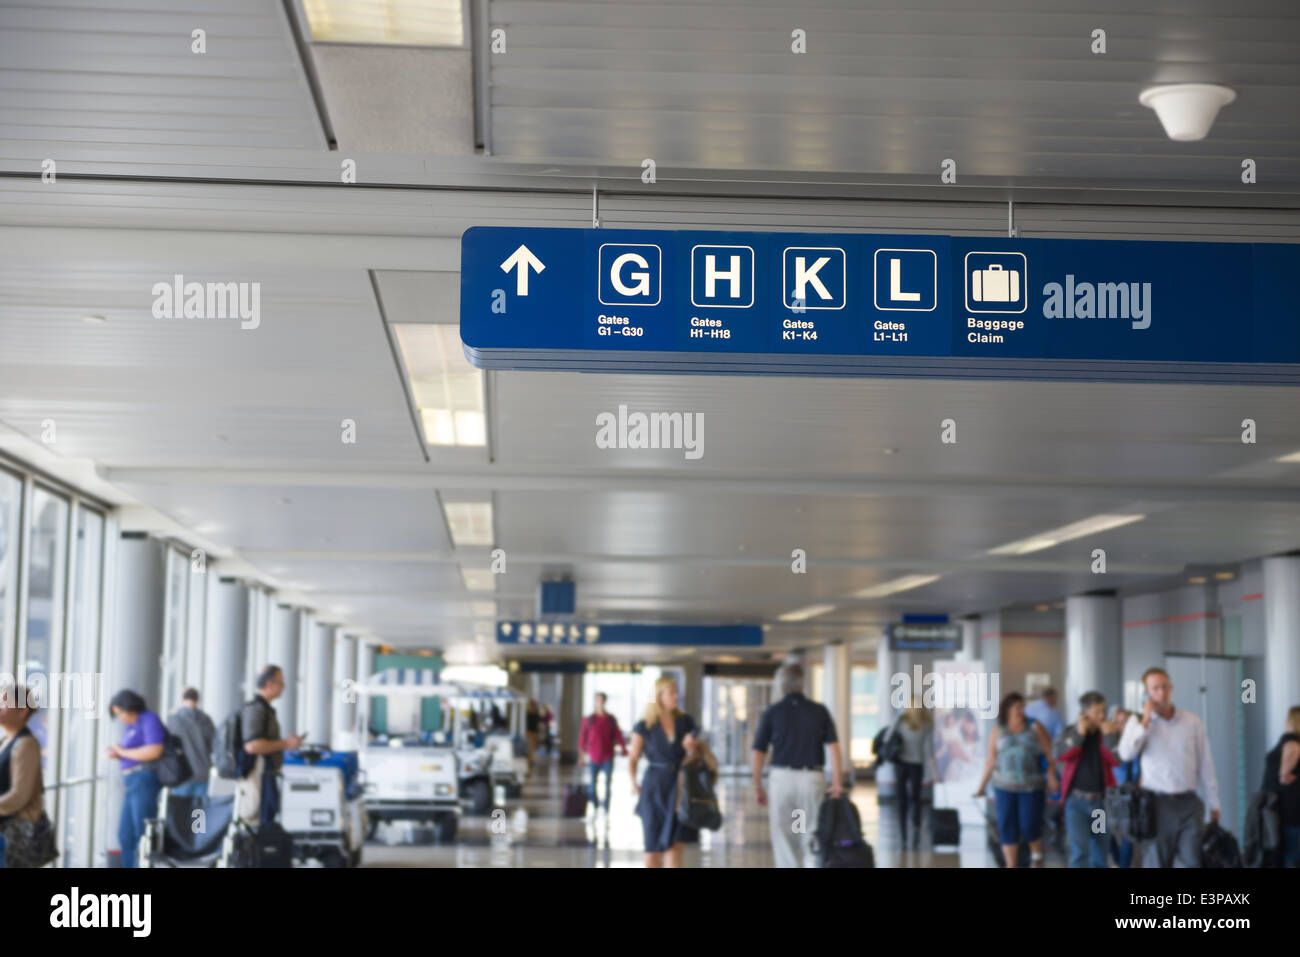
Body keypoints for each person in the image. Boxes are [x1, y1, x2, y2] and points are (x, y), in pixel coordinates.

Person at [1117, 667, 1220, 868]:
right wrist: (1145, 721)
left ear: (1171, 688)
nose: (1161, 693)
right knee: (1157, 863)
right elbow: (1125, 754)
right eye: (1155, 688)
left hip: (1189, 803)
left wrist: (1214, 802)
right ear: (1146, 693)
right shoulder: (1137, 722)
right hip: (1156, 804)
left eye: (1165, 687)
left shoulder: (1191, 722)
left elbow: (1205, 763)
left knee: (1193, 862)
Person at [751, 662, 843, 867]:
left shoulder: (772, 712)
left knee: (785, 838)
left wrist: (757, 785)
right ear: (803, 685)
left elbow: (758, 753)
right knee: (808, 833)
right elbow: (834, 748)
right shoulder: (819, 711)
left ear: (781, 686)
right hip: (811, 781)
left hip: (783, 781)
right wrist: (837, 782)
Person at [975, 692, 1058, 867]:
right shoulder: (999, 730)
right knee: (1006, 827)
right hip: (1003, 786)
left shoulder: (1035, 726)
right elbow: (990, 760)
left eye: (1022, 706)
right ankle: (1010, 864)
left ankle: (1036, 856)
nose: (1020, 710)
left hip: (1031, 786)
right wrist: (980, 788)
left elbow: (1051, 754)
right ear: (1007, 709)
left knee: (1029, 824)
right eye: (1016, 707)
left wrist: (1051, 775)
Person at [628, 675, 698, 868]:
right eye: (672, 693)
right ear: (659, 696)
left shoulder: (686, 722)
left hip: (679, 788)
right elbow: (633, 757)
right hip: (654, 788)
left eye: (677, 693)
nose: (676, 697)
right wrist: (633, 782)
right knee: (652, 849)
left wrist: (691, 749)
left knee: (675, 848)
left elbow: (695, 756)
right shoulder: (645, 725)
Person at [1054, 691, 1121, 868]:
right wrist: (1079, 734)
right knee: (1079, 851)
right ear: (1085, 713)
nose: (1102, 715)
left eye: (1103, 710)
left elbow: (1117, 760)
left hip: (1099, 804)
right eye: (1097, 711)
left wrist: (1109, 737)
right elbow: (1059, 754)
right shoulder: (1070, 732)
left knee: (1100, 851)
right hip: (1076, 803)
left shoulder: (1106, 734)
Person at [107, 689, 166, 868]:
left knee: (142, 831)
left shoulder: (148, 720)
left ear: (129, 706)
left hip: (144, 779)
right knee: (125, 833)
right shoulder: (131, 727)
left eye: (121, 713)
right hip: (132, 781)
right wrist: (119, 754)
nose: (121, 718)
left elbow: (155, 750)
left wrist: (123, 752)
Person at [237, 666, 302, 827]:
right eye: (280, 683)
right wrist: (286, 744)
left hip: (265, 773)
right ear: (269, 685)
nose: (283, 687)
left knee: (264, 817)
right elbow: (252, 746)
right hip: (255, 773)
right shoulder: (256, 710)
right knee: (252, 816)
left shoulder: (265, 709)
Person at [0, 683, 56, 868]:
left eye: (4, 702)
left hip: (14, 833)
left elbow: (19, 796)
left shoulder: (25, 744)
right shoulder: (5, 742)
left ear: (23, 710)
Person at [893, 707, 936, 849]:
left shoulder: (901, 720)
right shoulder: (926, 723)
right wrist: (935, 773)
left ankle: (902, 830)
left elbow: (889, 736)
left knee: (901, 798)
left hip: (901, 763)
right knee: (916, 798)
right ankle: (916, 827)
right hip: (917, 764)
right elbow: (929, 750)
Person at [1264, 705, 1300, 867]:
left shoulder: (1292, 743)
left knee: (1289, 858)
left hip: (1288, 812)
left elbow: (1284, 775)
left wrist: (1284, 775)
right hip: (1285, 811)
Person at [578, 692, 627, 811]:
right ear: (595, 702)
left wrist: (623, 748)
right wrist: (581, 757)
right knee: (593, 783)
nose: (600, 702)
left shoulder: (610, 719)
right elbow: (582, 738)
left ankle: (606, 806)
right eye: (597, 700)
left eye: (602, 700)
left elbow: (617, 734)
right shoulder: (588, 719)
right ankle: (595, 804)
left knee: (608, 783)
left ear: (605, 702)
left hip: (608, 756)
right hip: (593, 756)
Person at [167, 687, 215, 798]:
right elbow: (213, 745)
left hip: (181, 773)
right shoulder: (206, 720)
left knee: (181, 811)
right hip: (203, 773)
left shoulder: (173, 720)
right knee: (199, 812)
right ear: (197, 700)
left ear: (182, 699)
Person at [1108, 706, 1138, 868]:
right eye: (1118, 722)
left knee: (1128, 835)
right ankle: (1116, 859)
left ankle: (1122, 864)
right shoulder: (1108, 744)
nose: (1121, 726)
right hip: (1106, 797)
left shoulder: (1136, 745)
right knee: (1099, 831)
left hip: (1128, 797)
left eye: (1125, 722)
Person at [524, 699, 541, 774]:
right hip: (529, 732)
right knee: (530, 746)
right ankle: (530, 759)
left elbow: (538, 723)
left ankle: (531, 759)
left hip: (534, 732)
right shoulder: (528, 713)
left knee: (533, 747)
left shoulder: (535, 713)